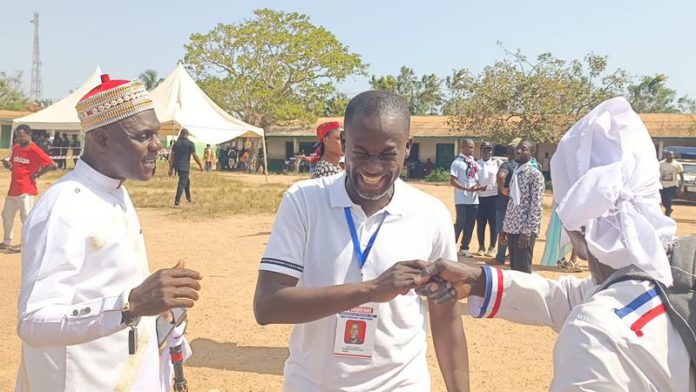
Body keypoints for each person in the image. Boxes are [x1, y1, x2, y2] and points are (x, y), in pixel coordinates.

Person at [415, 97, 692, 391]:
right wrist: (477, 280)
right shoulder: (677, 270)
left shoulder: (598, 337)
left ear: (578, 228)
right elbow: (569, 296)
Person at [253, 91, 468, 391]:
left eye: (388, 154)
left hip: (400, 384)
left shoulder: (430, 214)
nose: (373, 167)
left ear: (408, 148)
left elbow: (446, 318)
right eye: (361, 152)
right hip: (314, 384)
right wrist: (370, 290)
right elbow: (267, 305)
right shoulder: (304, 201)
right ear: (343, 144)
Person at [16, 74, 202, 391]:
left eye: (156, 134)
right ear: (102, 140)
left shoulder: (114, 190)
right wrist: (129, 304)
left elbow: (107, 287)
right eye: (143, 136)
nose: (157, 146)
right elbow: (33, 322)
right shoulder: (63, 206)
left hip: (123, 372)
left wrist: (157, 309)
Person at [1, 125, 56, 253]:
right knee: (6, 215)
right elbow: (15, 166)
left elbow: (52, 164)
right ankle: (6, 242)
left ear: (28, 135)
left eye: (21, 136)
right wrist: (9, 165)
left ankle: (25, 245)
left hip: (26, 189)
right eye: (17, 136)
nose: (19, 139)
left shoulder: (35, 150)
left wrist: (38, 174)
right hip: (13, 189)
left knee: (26, 218)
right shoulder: (16, 148)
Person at [499, 139, 545, 273]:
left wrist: (527, 233)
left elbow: (536, 206)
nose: (518, 151)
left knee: (523, 271)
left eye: (524, 149)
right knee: (514, 270)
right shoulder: (516, 173)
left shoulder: (535, 175)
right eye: (518, 148)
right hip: (512, 229)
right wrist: (504, 228)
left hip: (524, 232)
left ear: (531, 153)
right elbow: (511, 204)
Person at [450, 138, 483, 258]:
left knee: (470, 222)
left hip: (473, 198)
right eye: (469, 147)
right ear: (462, 148)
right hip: (461, 198)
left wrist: (480, 187)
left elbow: (476, 179)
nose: (472, 150)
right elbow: (452, 181)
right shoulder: (457, 163)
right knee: (461, 221)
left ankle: (465, 247)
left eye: (473, 147)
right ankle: (449, 246)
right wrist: (465, 189)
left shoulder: (474, 163)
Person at [491, 140, 518, 265]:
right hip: (518, 204)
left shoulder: (507, 165)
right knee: (514, 229)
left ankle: (500, 257)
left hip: (504, 202)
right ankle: (513, 255)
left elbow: (501, 176)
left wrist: (502, 189)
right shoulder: (526, 165)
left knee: (502, 228)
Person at [475, 142, 501, 257]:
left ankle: (492, 247)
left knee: (493, 223)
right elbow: (473, 179)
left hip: (493, 197)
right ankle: (481, 246)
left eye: (490, 150)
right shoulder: (476, 164)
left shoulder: (497, 164)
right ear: (481, 150)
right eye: (485, 149)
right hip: (480, 198)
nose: (488, 152)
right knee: (480, 223)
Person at [168, 128, 203, 206]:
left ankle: (188, 198)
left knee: (187, 181)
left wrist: (170, 169)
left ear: (181, 134)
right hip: (185, 166)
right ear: (187, 135)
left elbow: (172, 157)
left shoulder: (176, 144)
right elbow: (195, 155)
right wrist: (200, 165)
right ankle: (177, 202)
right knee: (182, 183)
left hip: (177, 166)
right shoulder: (190, 143)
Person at [659, 150, 684, 217]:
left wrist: (681, 186)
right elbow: (656, 173)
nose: (670, 156)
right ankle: (669, 209)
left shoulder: (677, 164)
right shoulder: (661, 163)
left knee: (669, 199)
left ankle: (667, 213)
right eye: (669, 155)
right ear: (665, 156)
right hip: (662, 185)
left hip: (672, 185)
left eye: (671, 155)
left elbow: (682, 176)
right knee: (663, 200)